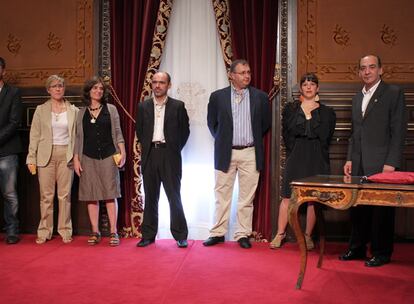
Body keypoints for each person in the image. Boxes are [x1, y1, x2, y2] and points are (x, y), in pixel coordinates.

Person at [339, 54, 407, 267]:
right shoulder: (357, 97)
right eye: (363, 68)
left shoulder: (394, 93)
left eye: (371, 67)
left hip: (383, 163)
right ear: (359, 72)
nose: (367, 71)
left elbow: (399, 131)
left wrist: (392, 162)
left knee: (382, 210)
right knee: (358, 207)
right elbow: (355, 131)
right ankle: (357, 248)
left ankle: (381, 252)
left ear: (381, 70)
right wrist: (350, 158)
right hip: (359, 161)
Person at [204, 59, 271, 249]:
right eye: (242, 73)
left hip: (250, 152)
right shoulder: (217, 97)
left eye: (248, 72)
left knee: (246, 198)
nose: (247, 76)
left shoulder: (260, 97)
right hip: (226, 152)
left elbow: (264, 124)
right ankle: (217, 233)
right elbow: (212, 123)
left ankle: (242, 234)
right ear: (232, 75)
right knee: (221, 195)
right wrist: (224, 140)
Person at [270, 73, 336, 250]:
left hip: (317, 157)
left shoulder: (327, 112)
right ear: (301, 88)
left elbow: (326, 136)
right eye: (305, 84)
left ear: (317, 88)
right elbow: (286, 134)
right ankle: (280, 234)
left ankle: (307, 236)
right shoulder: (291, 109)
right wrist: (296, 149)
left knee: (313, 199)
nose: (308, 87)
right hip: (296, 154)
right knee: (287, 196)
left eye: (312, 84)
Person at [135, 71, 190, 248]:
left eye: (162, 82)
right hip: (150, 154)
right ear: (152, 84)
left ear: (169, 85)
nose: (158, 85)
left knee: (174, 196)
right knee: (150, 196)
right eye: (155, 82)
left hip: (170, 156)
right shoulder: (143, 106)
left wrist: (173, 149)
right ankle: (148, 235)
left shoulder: (178, 106)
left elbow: (185, 132)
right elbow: (140, 131)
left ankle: (181, 235)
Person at [73, 77, 126, 247]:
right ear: (89, 91)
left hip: (109, 157)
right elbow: (78, 138)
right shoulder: (81, 113)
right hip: (87, 157)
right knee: (91, 196)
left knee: (110, 195)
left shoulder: (111, 109)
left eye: (101, 89)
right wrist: (76, 159)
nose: (98, 91)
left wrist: (122, 151)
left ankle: (113, 231)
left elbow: (117, 132)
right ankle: (94, 231)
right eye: (95, 88)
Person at [27, 75, 78, 244]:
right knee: (46, 196)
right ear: (48, 89)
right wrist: (31, 158)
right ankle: (44, 231)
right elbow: (34, 136)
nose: (58, 89)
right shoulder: (40, 110)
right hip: (45, 155)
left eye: (61, 86)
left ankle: (64, 230)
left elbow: (78, 137)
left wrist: (77, 158)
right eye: (54, 86)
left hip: (66, 155)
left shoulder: (74, 110)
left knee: (65, 195)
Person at [0, 57, 22, 244]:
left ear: (3, 71)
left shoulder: (13, 92)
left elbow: (14, 122)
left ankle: (12, 230)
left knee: (9, 193)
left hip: (7, 149)